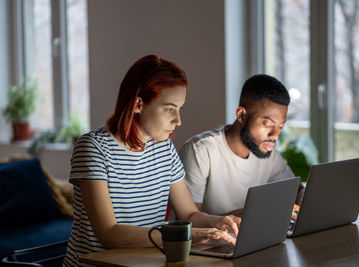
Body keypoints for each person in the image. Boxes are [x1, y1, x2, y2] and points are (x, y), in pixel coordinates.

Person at [63, 55, 241, 266]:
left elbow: (189, 213)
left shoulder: (163, 148)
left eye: (179, 109)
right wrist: (188, 235)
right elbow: (108, 234)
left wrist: (216, 222)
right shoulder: (93, 148)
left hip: (144, 262)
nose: (178, 120)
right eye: (169, 109)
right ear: (138, 104)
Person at [179, 74, 304, 217]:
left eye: (280, 126)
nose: (275, 135)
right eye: (268, 124)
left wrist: (300, 204)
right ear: (241, 115)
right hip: (214, 240)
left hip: (256, 238)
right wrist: (253, 214)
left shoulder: (267, 152)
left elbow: (298, 190)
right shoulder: (200, 150)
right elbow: (189, 222)